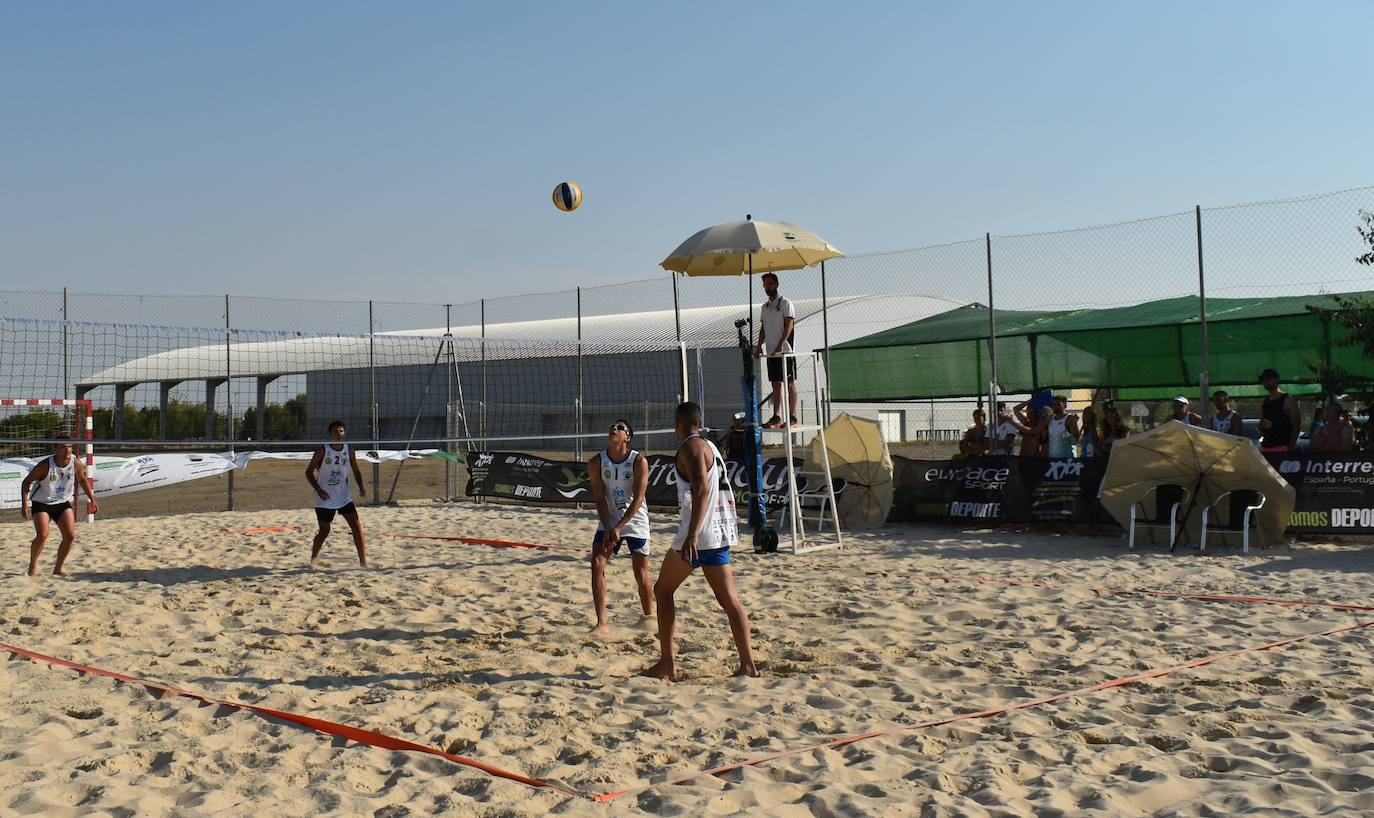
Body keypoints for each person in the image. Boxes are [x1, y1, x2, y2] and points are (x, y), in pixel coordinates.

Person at [644, 401, 757, 680]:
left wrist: (692, 533)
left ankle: (667, 664)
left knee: (662, 591)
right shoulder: (711, 446)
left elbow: (702, 489)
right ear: (700, 421)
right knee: (730, 601)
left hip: (697, 536)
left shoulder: (691, 447)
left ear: (677, 425)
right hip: (716, 533)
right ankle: (748, 665)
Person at [587, 419, 653, 635]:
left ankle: (648, 617)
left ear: (628, 438)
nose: (613, 429)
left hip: (635, 519)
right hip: (610, 517)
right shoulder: (597, 462)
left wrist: (620, 526)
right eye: (612, 426)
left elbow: (638, 500)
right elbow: (599, 498)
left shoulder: (638, 461)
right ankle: (602, 623)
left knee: (640, 572)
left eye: (620, 428)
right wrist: (608, 526)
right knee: (597, 563)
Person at [20, 432, 99, 576]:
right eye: (63, 447)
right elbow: (26, 483)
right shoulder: (45, 465)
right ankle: (32, 566)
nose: (67, 450)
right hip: (42, 502)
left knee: (70, 535)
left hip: (62, 502)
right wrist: (25, 504)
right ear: (55, 449)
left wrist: (92, 498)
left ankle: (58, 569)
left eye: (69, 446)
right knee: (43, 535)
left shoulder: (76, 462)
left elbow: (82, 479)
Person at [305, 420, 368, 567]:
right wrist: (319, 489)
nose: (338, 434)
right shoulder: (322, 450)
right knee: (324, 531)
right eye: (335, 432)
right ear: (330, 434)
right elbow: (308, 472)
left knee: (356, 528)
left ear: (344, 433)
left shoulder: (349, 451)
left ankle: (364, 563)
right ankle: (313, 558)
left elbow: (356, 470)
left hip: (343, 496)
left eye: (341, 431)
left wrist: (361, 487)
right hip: (325, 497)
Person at [753, 272, 798, 429]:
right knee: (775, 384)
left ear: (777, 284)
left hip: (785, 352)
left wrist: (781, 344)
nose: (768, 286)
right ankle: (776, 416)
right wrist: (758, 347)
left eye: (771, 283)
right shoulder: (765, 307)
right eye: (765, 284)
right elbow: (763, 328)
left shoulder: (785, 303)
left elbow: (789, 325)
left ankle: (792, 416)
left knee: (790, 383)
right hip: (771, 352)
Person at [1258, 369, 1301, 453]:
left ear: (1277, 380)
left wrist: (1290, 448)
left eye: (1268, 379)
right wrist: (1261, 426)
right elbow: (1261, 424)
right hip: (1265, 447)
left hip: (1282, 448)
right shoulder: (1265, 401)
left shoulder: (1288, 400)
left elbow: (1296, 427)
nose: (1265, 382)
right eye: (1263, 380)